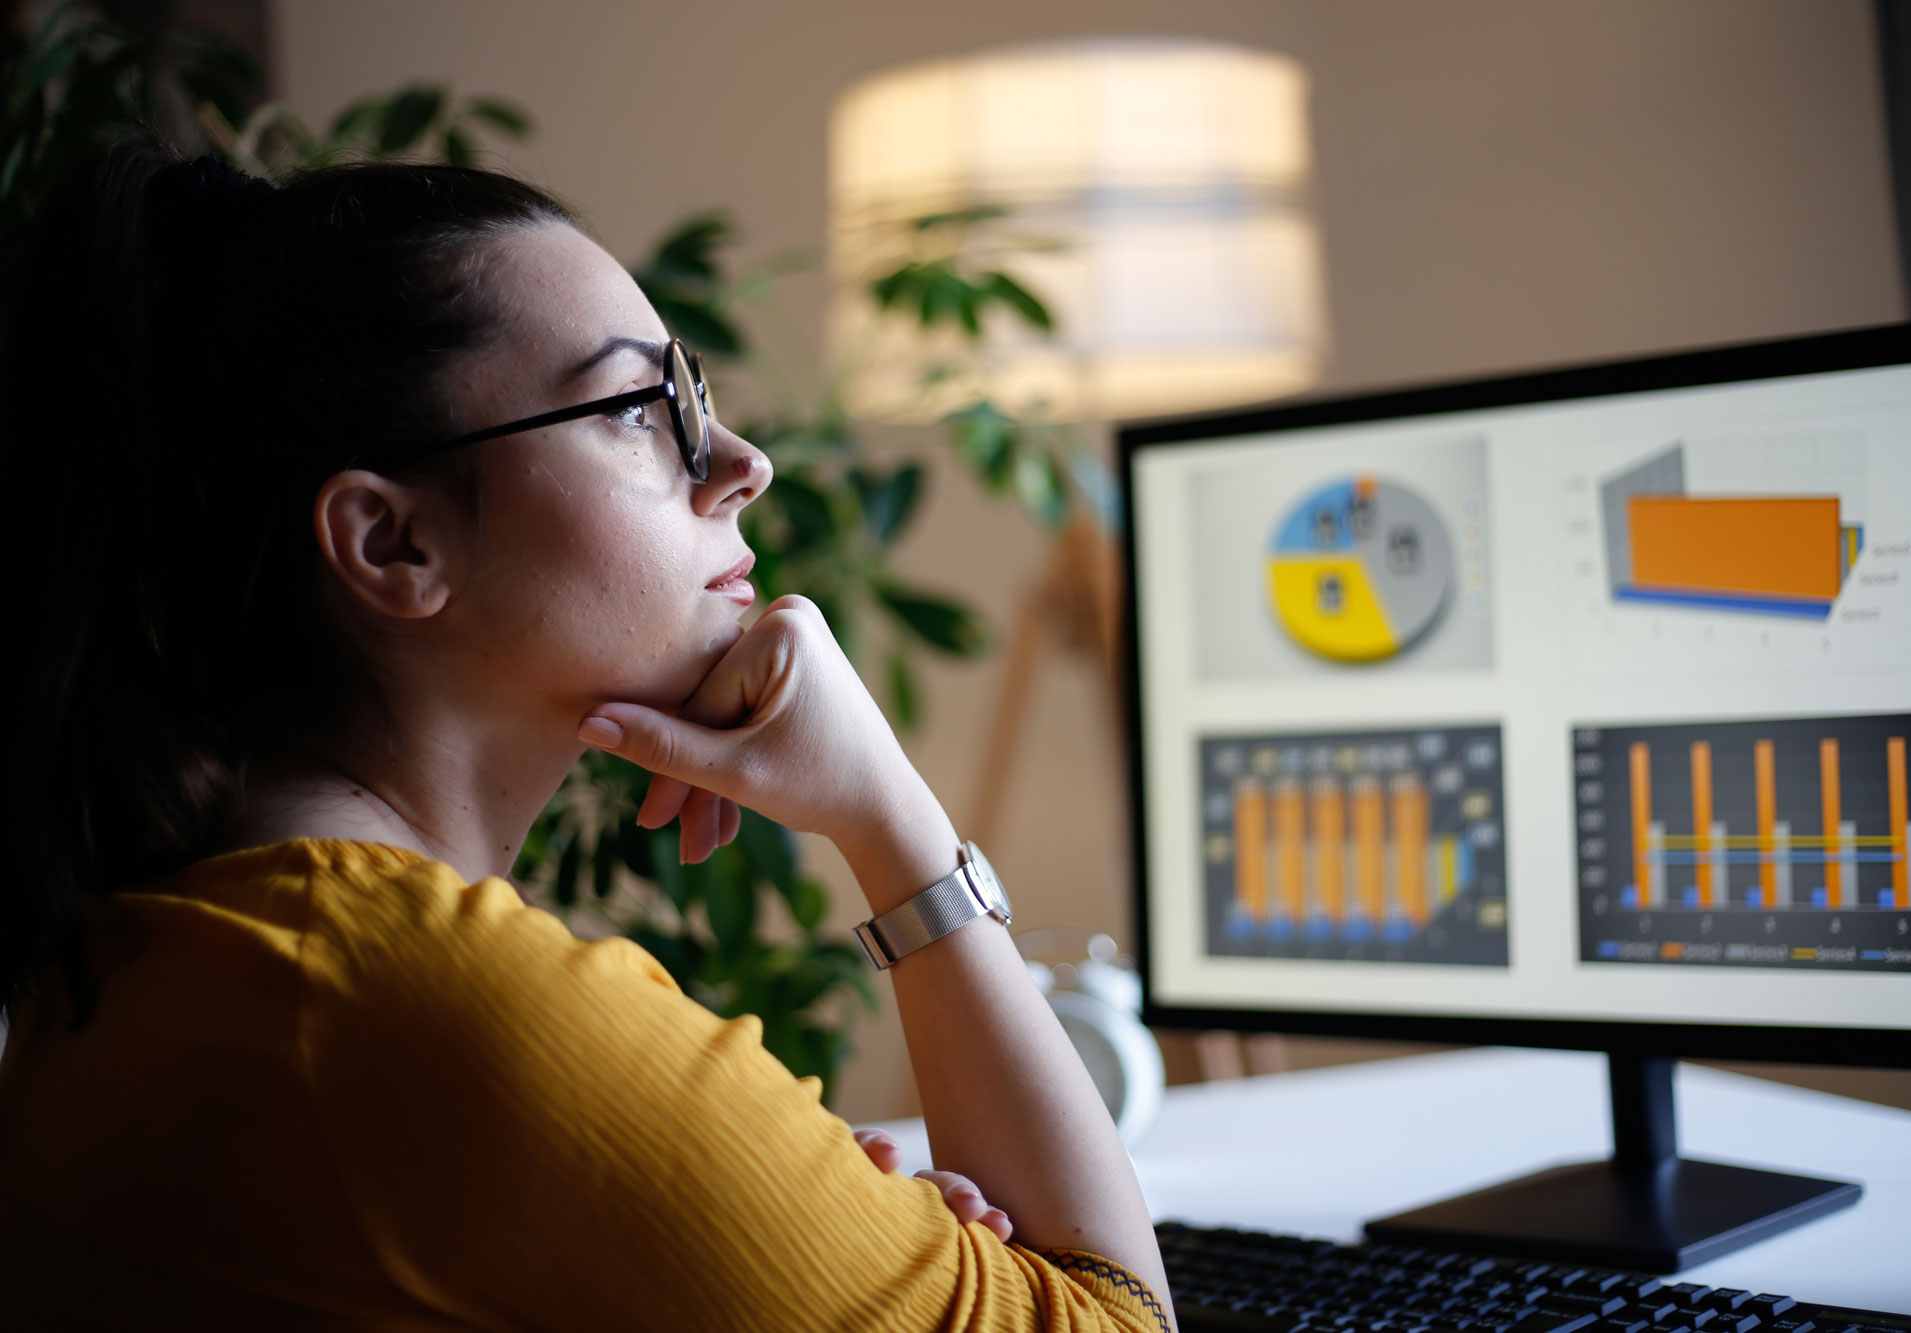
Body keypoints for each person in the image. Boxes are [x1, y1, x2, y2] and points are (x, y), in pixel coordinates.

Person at [0, 139, 1175, 1332]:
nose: (740, 465)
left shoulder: (178, 941)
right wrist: (893, 821)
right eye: (640, 407)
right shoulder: (441, 1010)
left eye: (699, 400)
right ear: (394, 545)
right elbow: (1120, 1321)